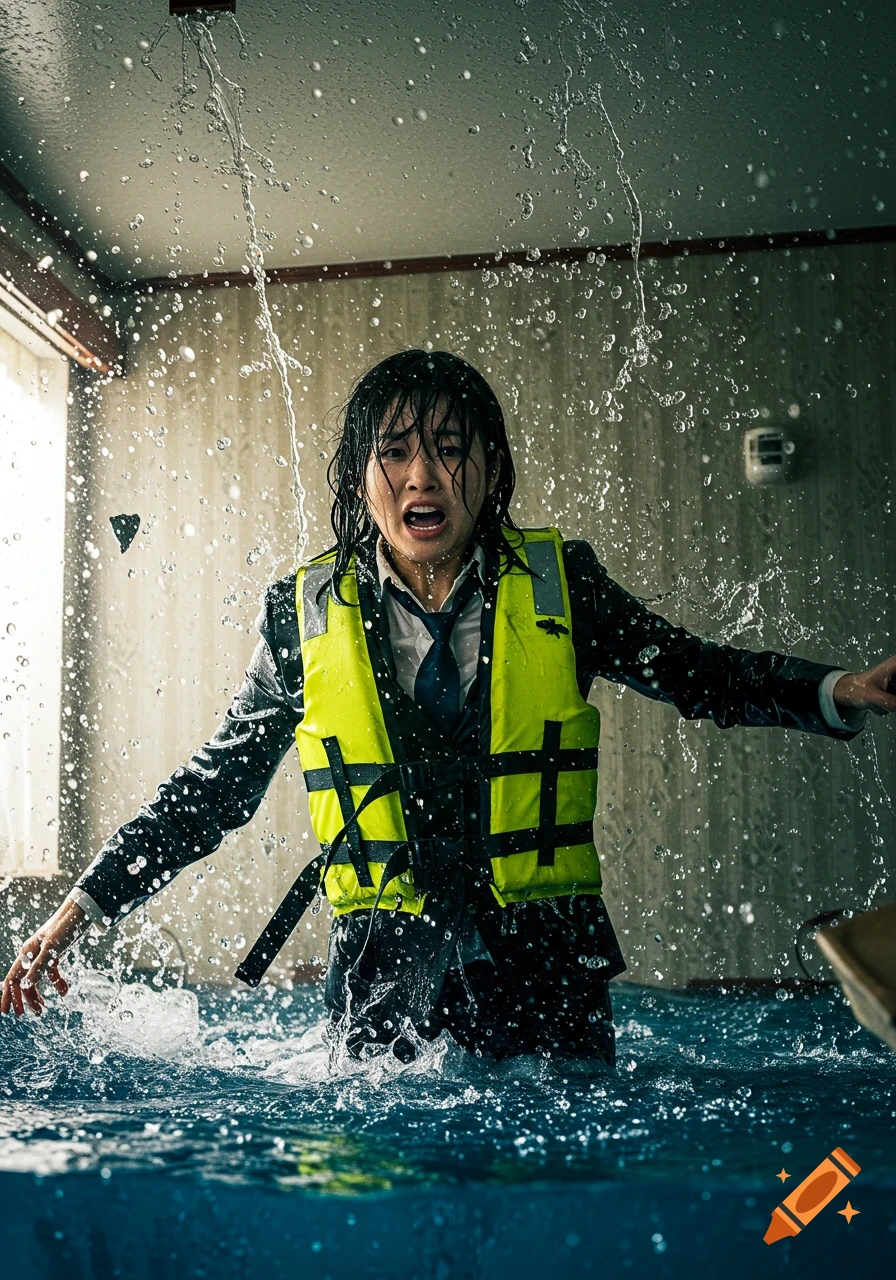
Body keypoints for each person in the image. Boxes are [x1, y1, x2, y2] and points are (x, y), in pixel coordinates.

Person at [3, 350, 895, 1066]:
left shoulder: (564, 584)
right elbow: (217, 785)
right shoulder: (302, 614)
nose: (423, 476)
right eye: (395, 451)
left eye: (451, 449)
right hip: (380, 974)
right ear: (362, 477)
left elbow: (699, 675)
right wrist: (83, 905)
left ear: (490, 467)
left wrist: (837, 688)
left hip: (550, 966)